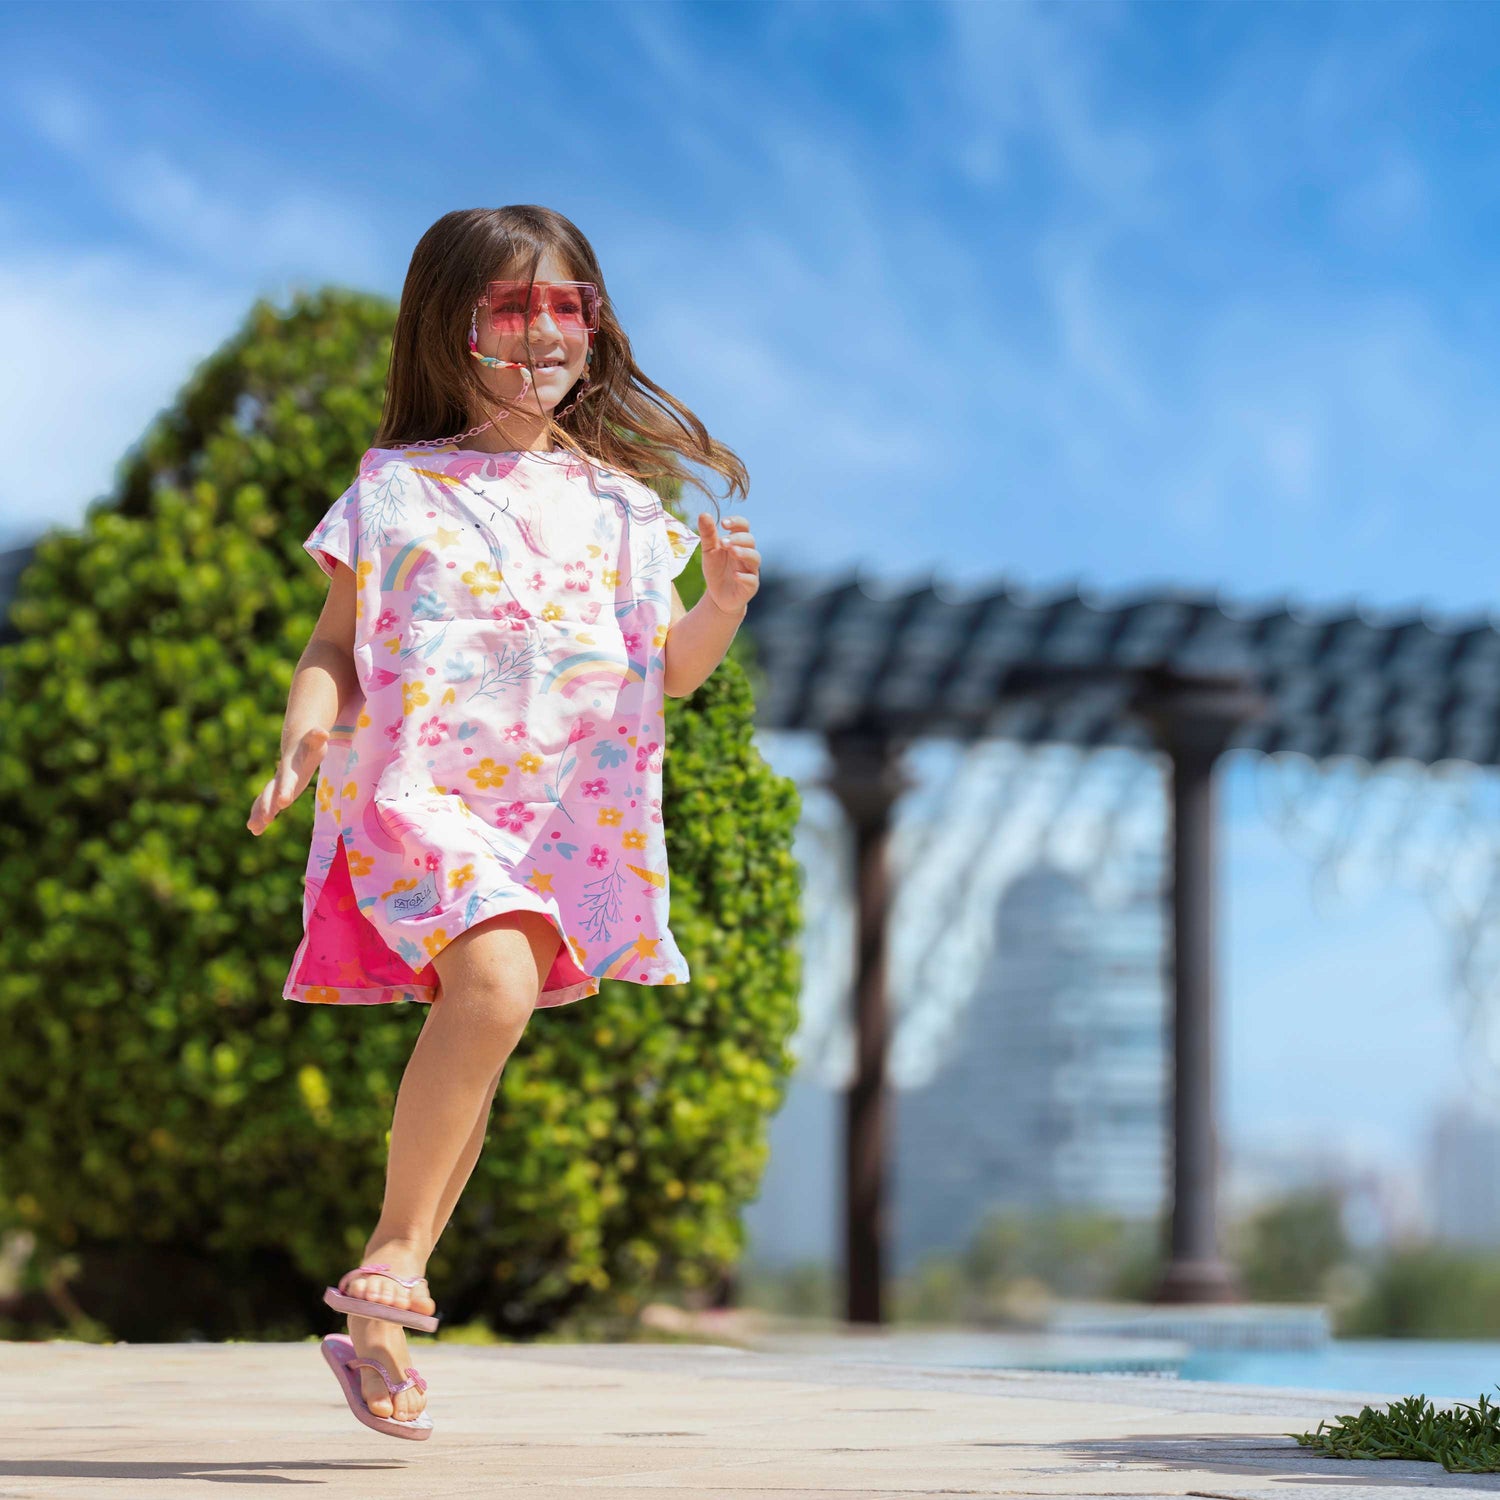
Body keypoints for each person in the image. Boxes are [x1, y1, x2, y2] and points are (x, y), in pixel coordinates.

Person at [246, 206, 759, 1436]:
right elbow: (335, 645)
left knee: (483, 1032)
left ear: (596, 325)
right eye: (510, 309)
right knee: (488, 992)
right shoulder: (395, 489)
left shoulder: (629, 509)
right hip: (423, 797)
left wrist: (726, 602)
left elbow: (671, 670)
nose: (542, 331)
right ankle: (393, 1258)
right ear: (452, 327)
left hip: (564, 818)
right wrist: (300, 737)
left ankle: (382, 1302)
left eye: (565, 305)